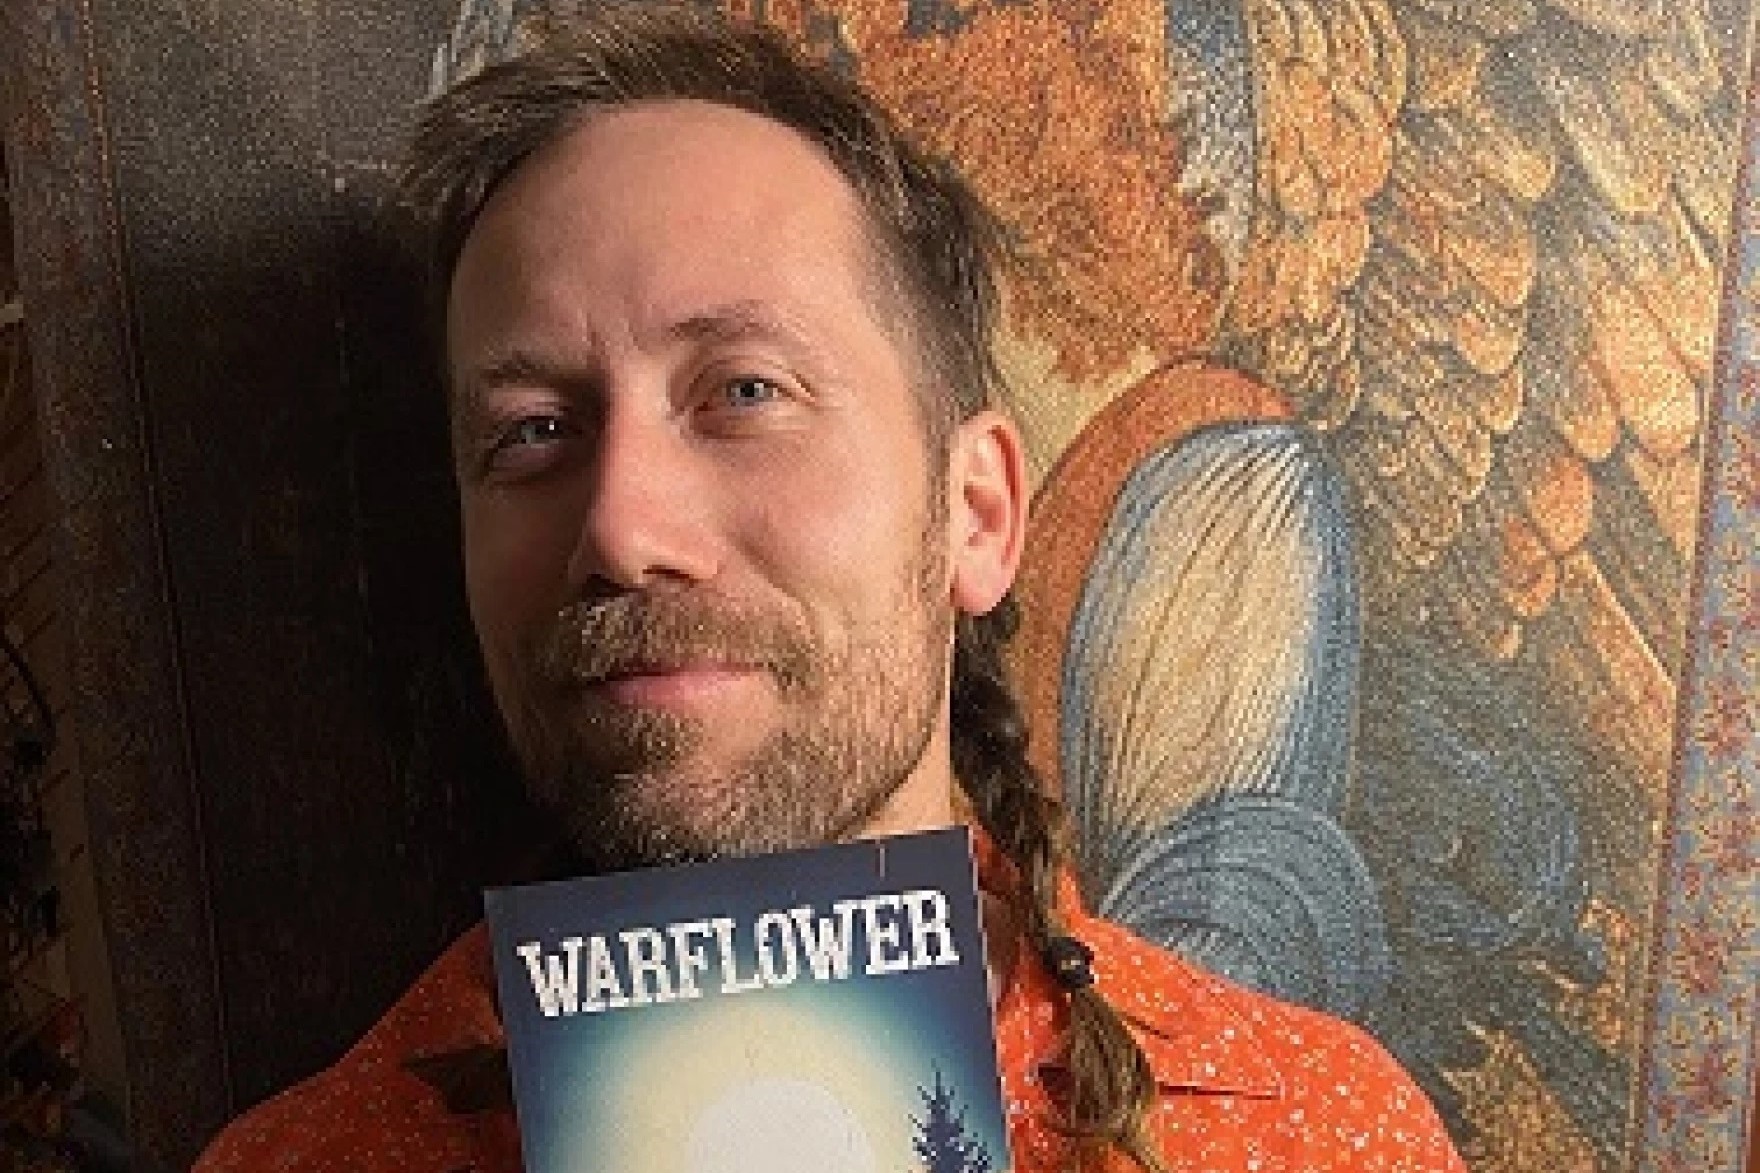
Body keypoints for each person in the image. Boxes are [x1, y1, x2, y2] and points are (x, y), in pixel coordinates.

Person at [194, 6, 1466, 1171]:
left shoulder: (1311, 1134)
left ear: (974, 514)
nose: (621, 529)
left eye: (745, 391)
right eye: (532, 431)